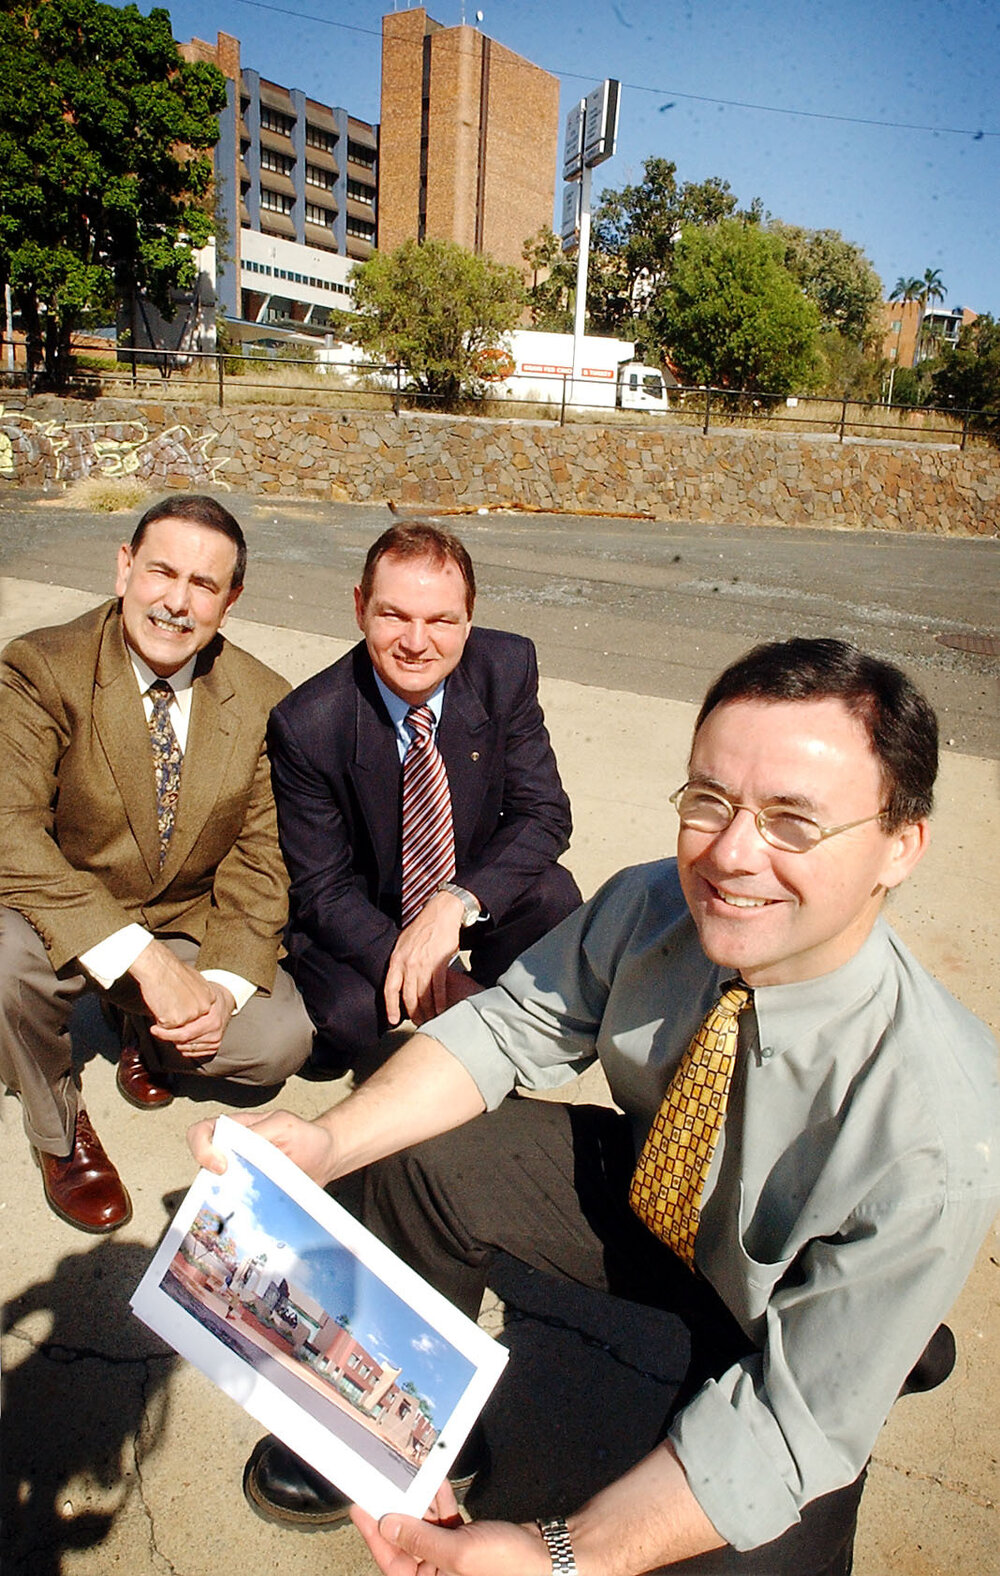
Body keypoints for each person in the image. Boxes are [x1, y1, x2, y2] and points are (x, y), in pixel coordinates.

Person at [189, 638, 1000, 1574]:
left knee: (748, 1538)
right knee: (409, 1147)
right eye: (709, 801)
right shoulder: (653, 905)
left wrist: (561, 1556)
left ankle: (875, 1326)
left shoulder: (939, 1128)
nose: (732, 856)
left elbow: (791, 1427)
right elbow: (505, 1028)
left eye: (794, 822)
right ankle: (412, 1429)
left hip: (784, 1290)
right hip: (657, 1191)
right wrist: (326, 1142)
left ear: (901, 845)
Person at [0, 494, 313, 1235]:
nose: (177, 602)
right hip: (61, 915)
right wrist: (144, 961)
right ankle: (57, 1126)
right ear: (124, 568)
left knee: (279, 1041)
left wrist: (219, 993)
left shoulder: (265, 701)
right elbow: (8, 830)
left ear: (231, 601)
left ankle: (143, 1033)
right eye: (161, 572)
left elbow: (262, 861)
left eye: (204, 584)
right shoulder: (41, 668)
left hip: (182, 918)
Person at [266, 520, 581, 1075]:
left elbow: (545, 813)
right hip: (368, 906)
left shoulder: (505, 669)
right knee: (349, 1018)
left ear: (468, 619)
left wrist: (454, 903)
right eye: (394, 616)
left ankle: (503, 1001)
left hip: (460, 890)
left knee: (553, 895)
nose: (416, 643)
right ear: (360, 607)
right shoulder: (309, 723)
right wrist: (445, 985)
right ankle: (467, 1009)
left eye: (440, 620)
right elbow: (321, 888)